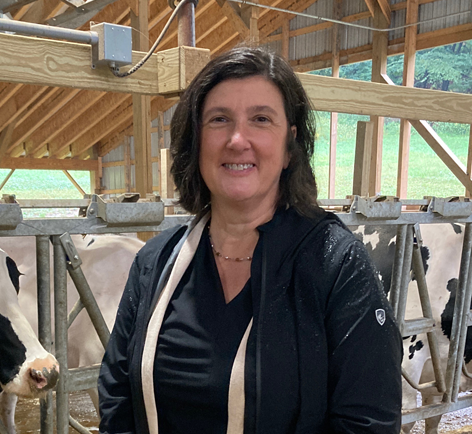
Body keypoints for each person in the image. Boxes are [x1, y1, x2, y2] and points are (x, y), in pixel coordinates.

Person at [97, 46, 402, 434]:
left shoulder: (336, 266)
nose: (237, 139)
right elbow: (117, 394)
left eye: (261, 119)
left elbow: (368, 422)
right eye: (219, 119)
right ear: (196, 141)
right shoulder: (156, 262)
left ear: (289, 146)